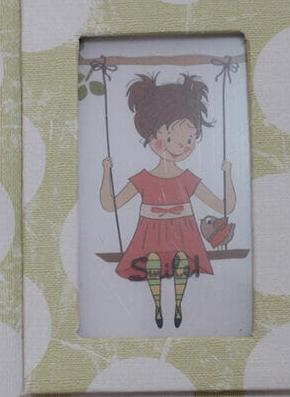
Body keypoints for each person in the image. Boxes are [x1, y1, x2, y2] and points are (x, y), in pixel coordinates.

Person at [100, 73, 235, 329]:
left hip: (183, 236)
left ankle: (179, 304)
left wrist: (228, 174)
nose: (179, 147)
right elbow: (111, 205)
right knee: (152, 261)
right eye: (170, 139)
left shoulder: (188, 179)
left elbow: (224, 206)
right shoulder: (143, 179)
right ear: (151, 135)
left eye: (188, 140)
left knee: (182, 261)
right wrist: (106, 172)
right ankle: (158, 305)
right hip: (150, 236)